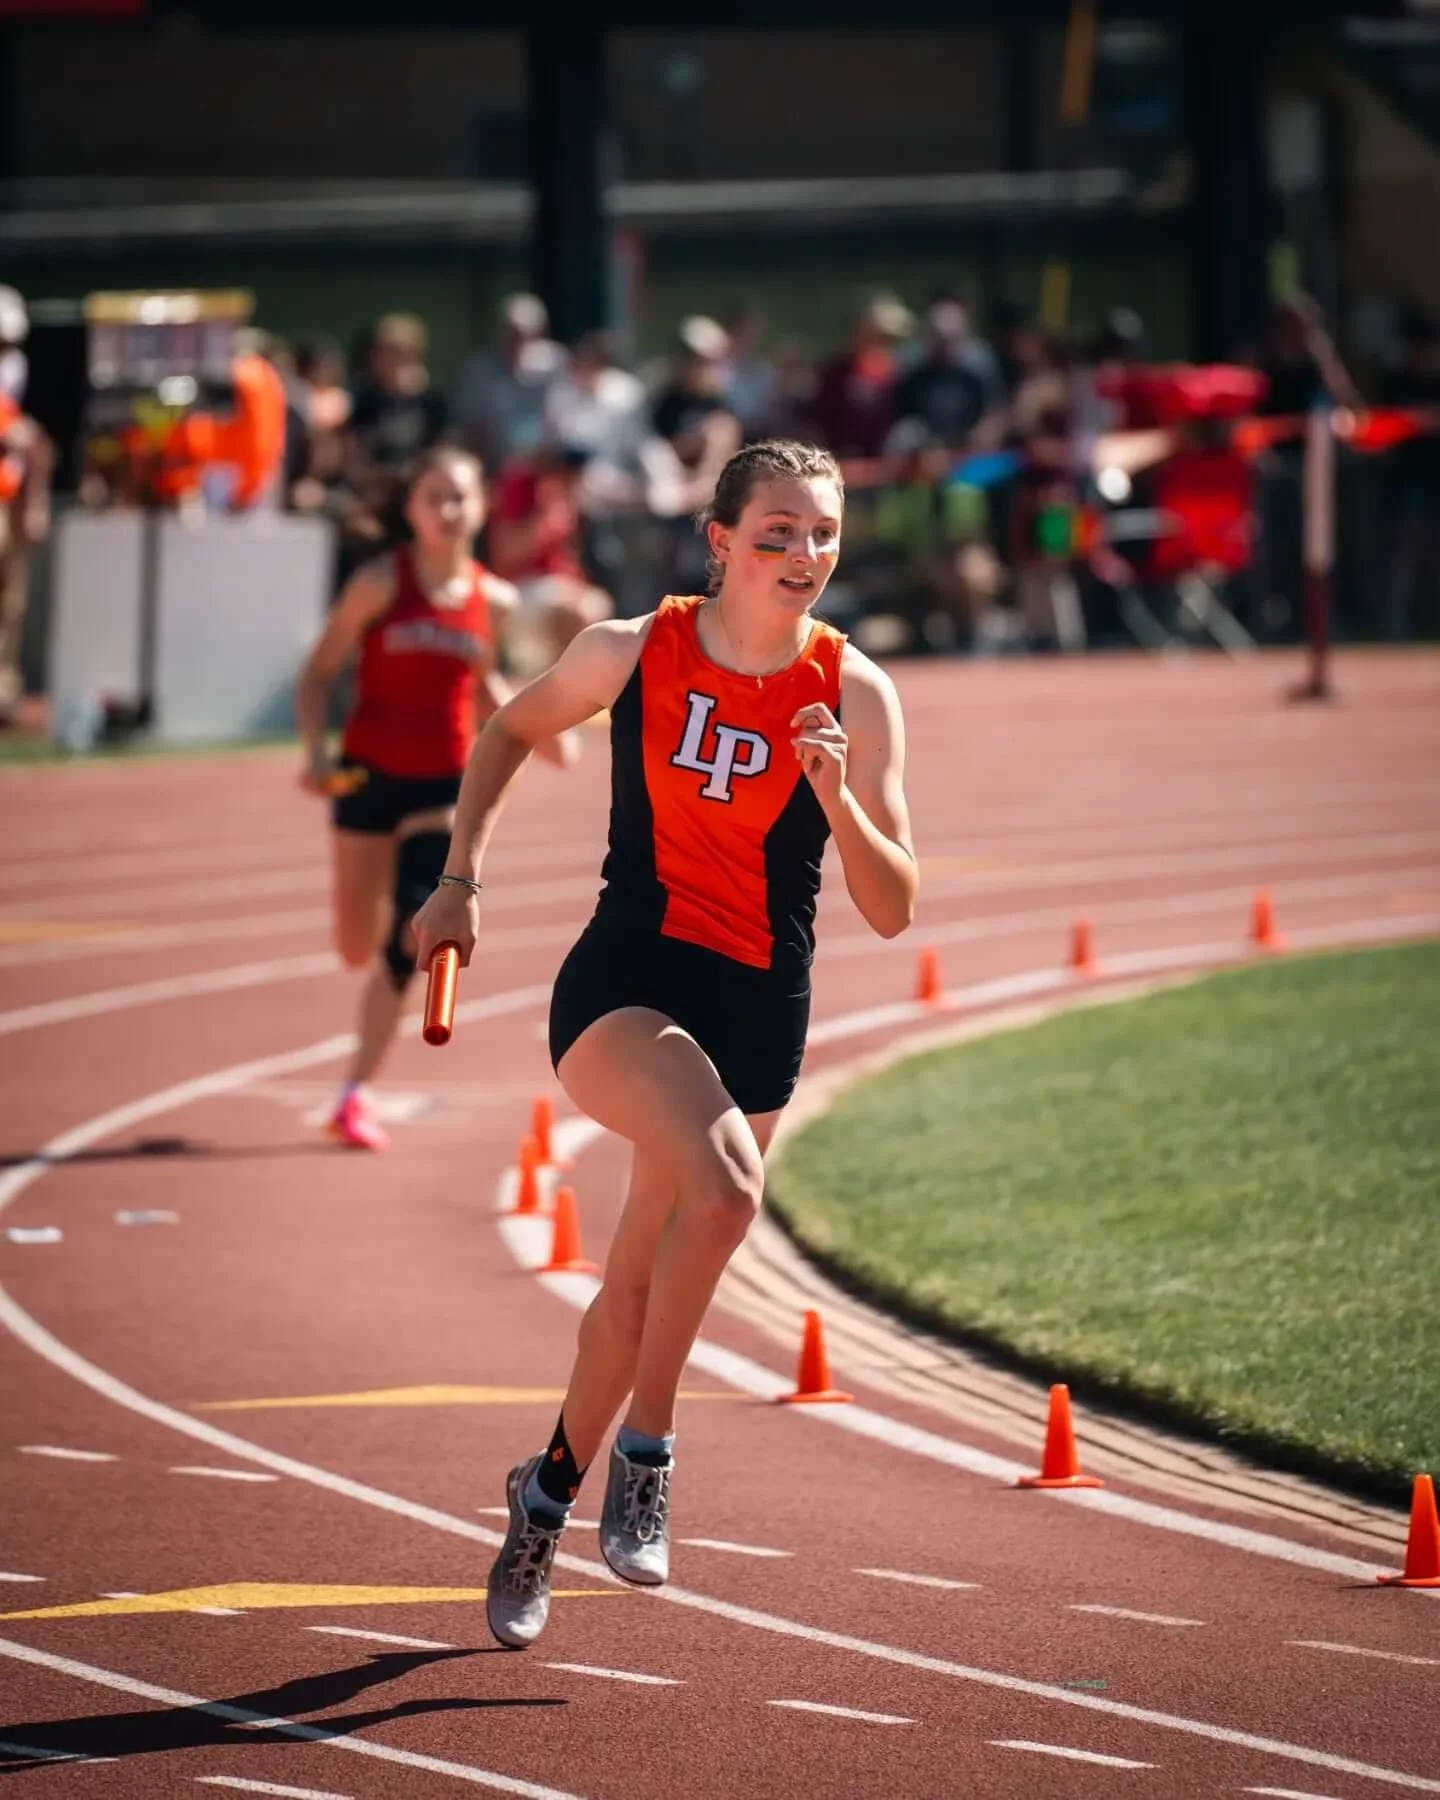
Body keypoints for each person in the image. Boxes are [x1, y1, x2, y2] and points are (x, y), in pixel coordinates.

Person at [412, 438, 917, 1648]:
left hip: (760, 1005)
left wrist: (837, 796)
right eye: (780, 533)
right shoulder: (633, 649)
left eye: (824, 535)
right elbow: (503, 734)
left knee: (634, 1289)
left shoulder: (856, 690)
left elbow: (894, 906)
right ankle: (651, 1450)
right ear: (723, 542)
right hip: (626, 985)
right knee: (730, 1190)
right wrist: (459, 879)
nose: (806, 556)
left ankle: (542, 1498)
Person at [297, 446, 576, 1151]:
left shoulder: (497, 600)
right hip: (367, 776)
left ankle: (354, 1092)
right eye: (433, 497)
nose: (448, 511)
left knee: (410, 931)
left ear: (482, 508)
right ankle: (360, 1061)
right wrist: (313, 755)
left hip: (444, 781)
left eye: (460, 497)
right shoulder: (378, 583)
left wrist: (534, 725)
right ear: (412, 510)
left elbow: (480, 681)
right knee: (353, 945)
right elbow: (318, 671)